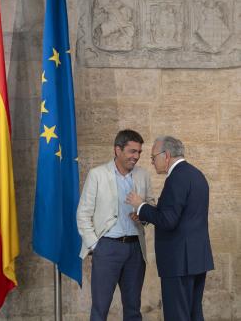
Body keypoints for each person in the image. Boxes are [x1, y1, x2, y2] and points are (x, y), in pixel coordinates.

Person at [127, 136, 214, 321]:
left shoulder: (176, 178)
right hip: (197, 259)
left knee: (177, 315)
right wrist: (146, 213)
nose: (152, 162)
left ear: (166, 155)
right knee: (194, 314)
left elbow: (168, 221)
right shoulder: (196, 174)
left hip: (179, 262)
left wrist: (141, 205)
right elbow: (181, 215)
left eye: (153, 157)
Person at [77, 129, 155, 321]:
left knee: (133, 309)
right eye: (132, 151)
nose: (136, 157)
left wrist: (143, 216)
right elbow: (83, 214)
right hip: (107, 249)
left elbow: (151, 206)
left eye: (139, 152)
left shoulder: (143, 175)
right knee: (100, 309)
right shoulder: (97, 175)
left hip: (136, 250)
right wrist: (97, 246)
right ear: (117, 150)